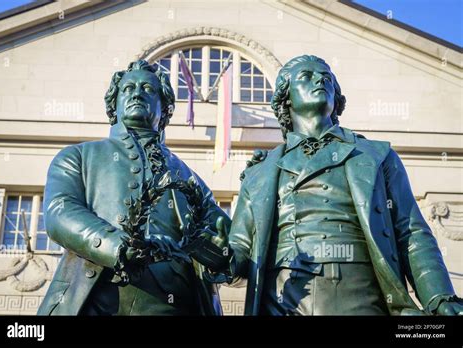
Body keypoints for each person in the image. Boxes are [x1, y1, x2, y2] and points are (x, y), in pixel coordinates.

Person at [209, 55, 462, 316]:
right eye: (306, 76)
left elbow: (411, 232)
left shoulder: (376, 155)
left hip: (359, 292)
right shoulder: (260, 172)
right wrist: (217, 251)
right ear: (286, 99)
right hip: (283, 298)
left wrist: (439, 297)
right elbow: (239, 257)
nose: (320, 79)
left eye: (327, 78)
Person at [38, 60, 229, 315]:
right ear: (113, 104)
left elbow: (225, 240)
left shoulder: (191, 179)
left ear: (165, 108)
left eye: (148, 90)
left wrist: (213, 248)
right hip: (97, 300)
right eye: (128, 89)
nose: (137, 93)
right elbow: (60, 213)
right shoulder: (79, 157)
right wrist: (117, 245)